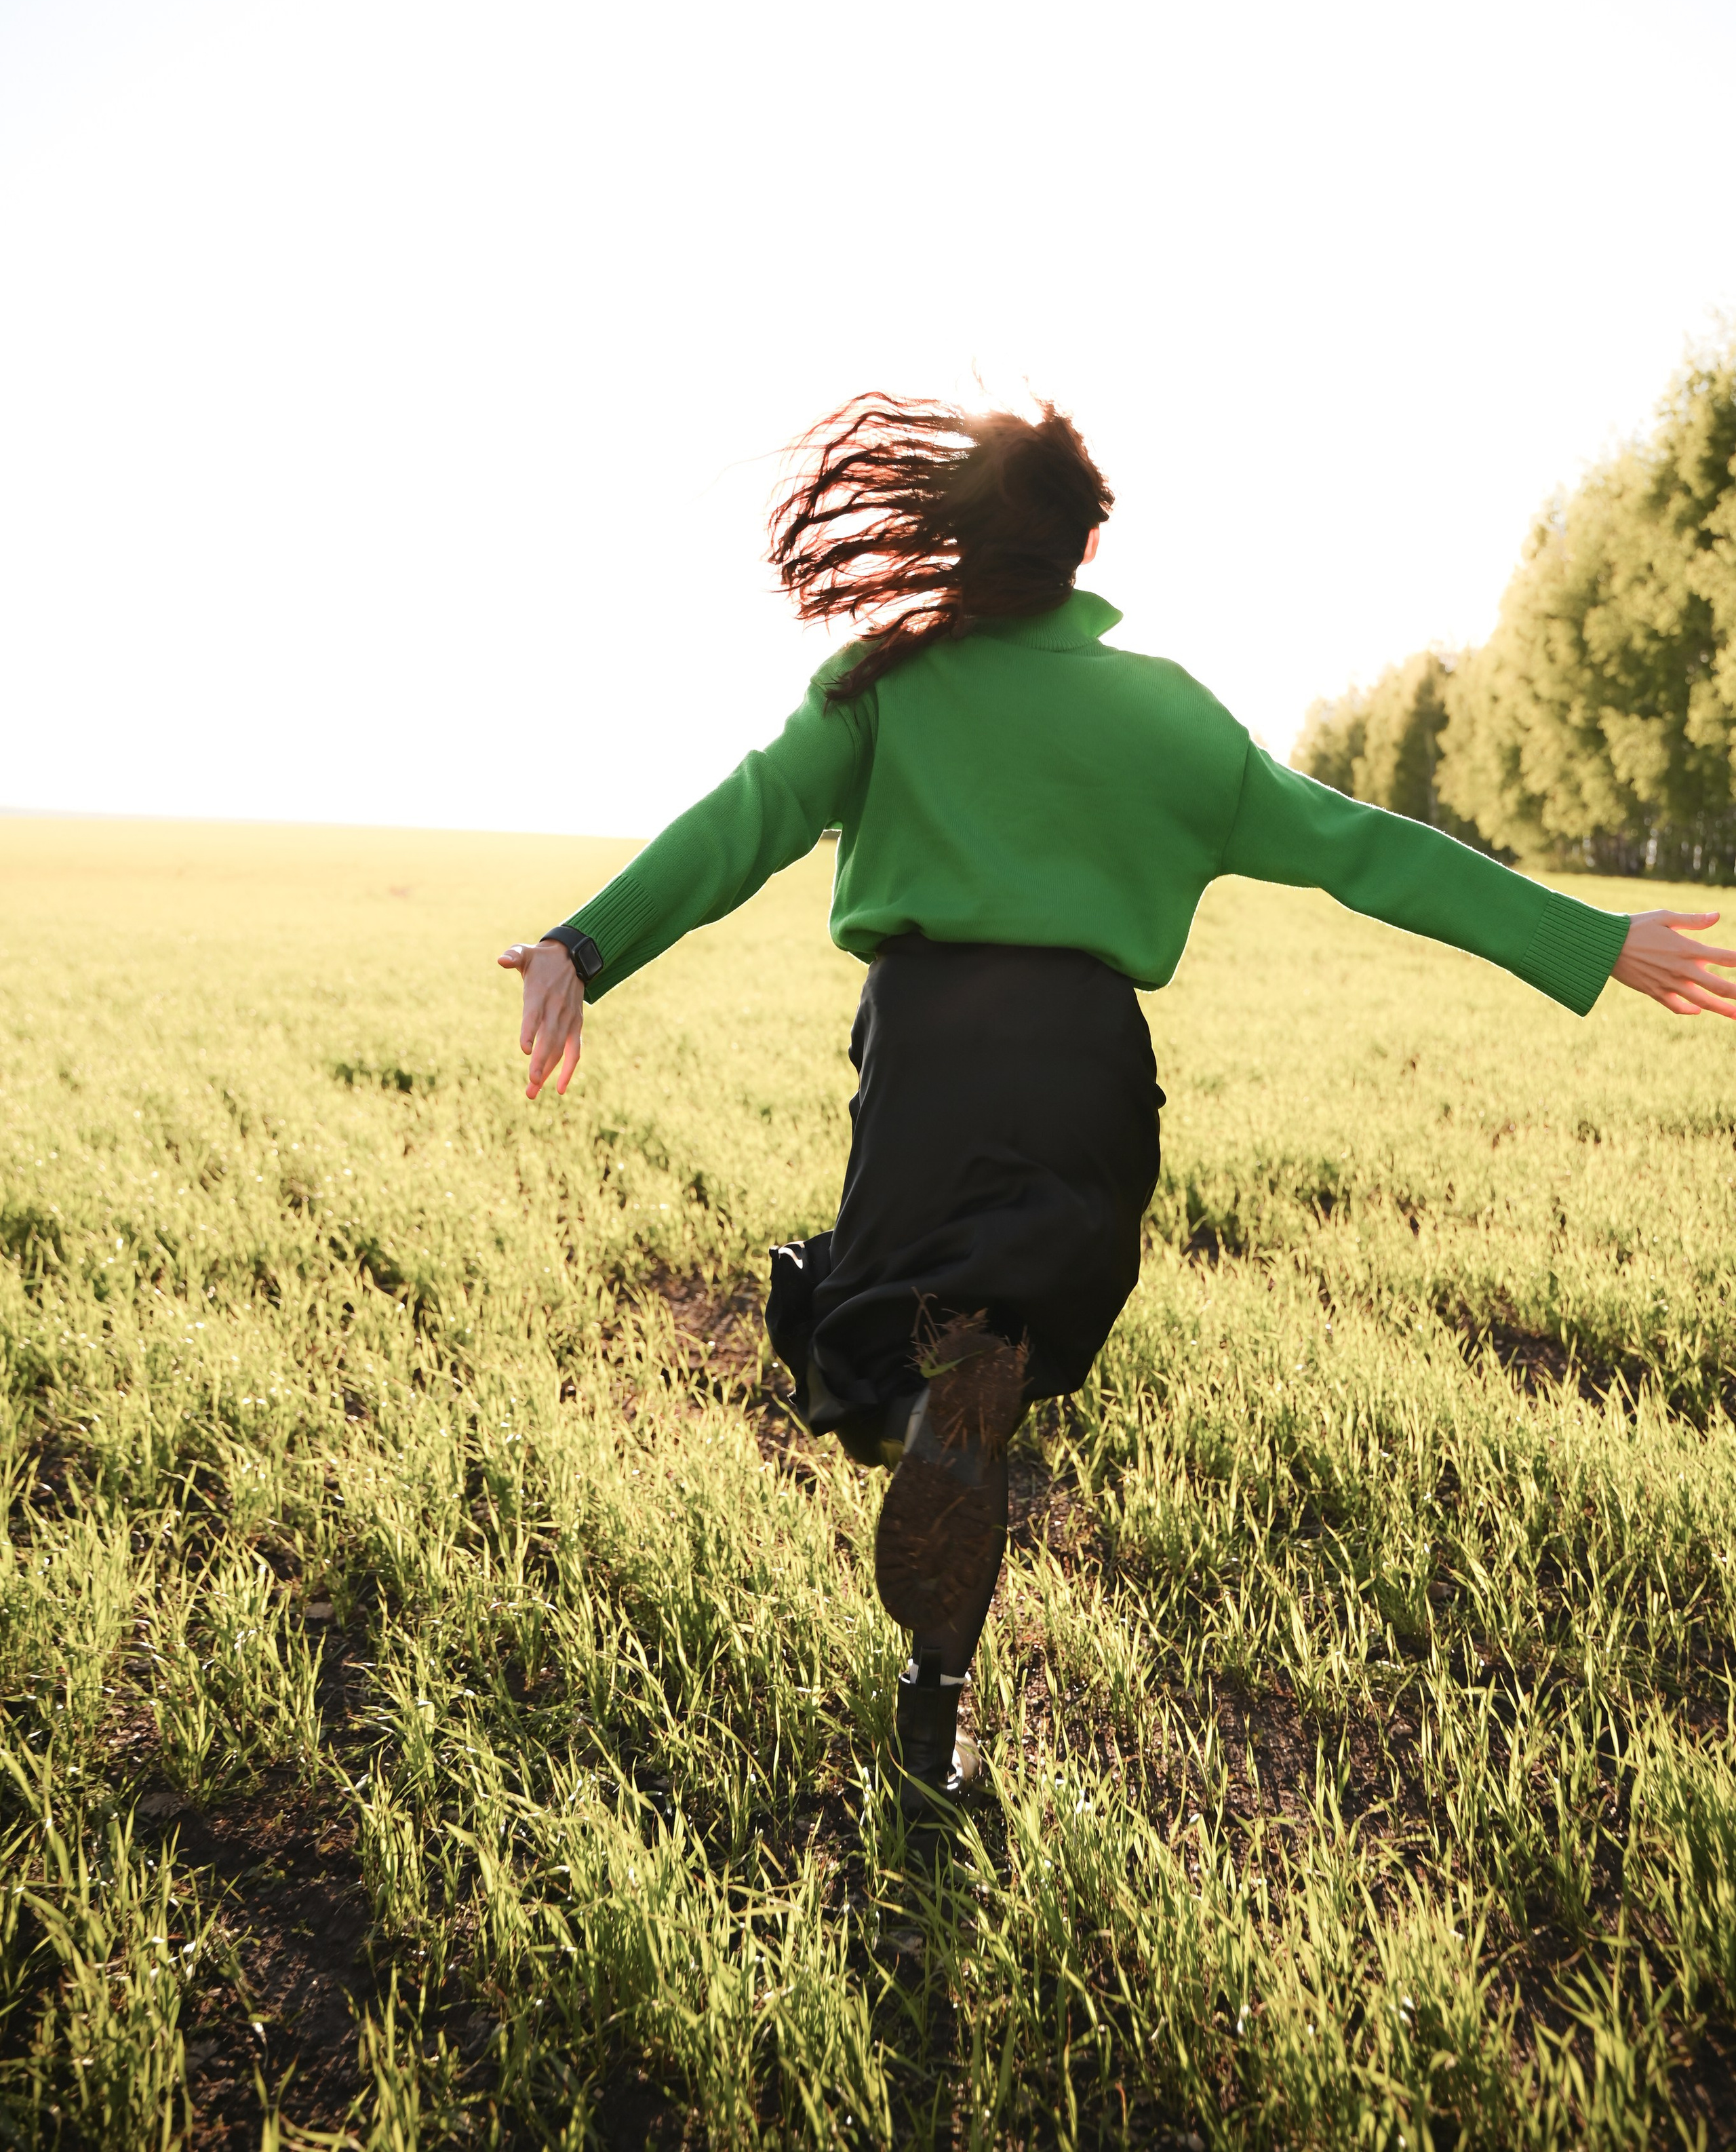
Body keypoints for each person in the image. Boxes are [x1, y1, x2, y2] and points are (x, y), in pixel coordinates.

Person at [500, 395, 1736, 1817]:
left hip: (927, 1050)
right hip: (1083, 1060)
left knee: (894, 1347)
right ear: (1087, 545)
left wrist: (580, 947)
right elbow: (1364, 850)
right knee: (996, 1367)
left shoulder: (881, 683)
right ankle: (932, 1719)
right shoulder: (1163, 711)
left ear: (954, 536)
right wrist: (1588, 941)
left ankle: (867, 1363)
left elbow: (742, 821)